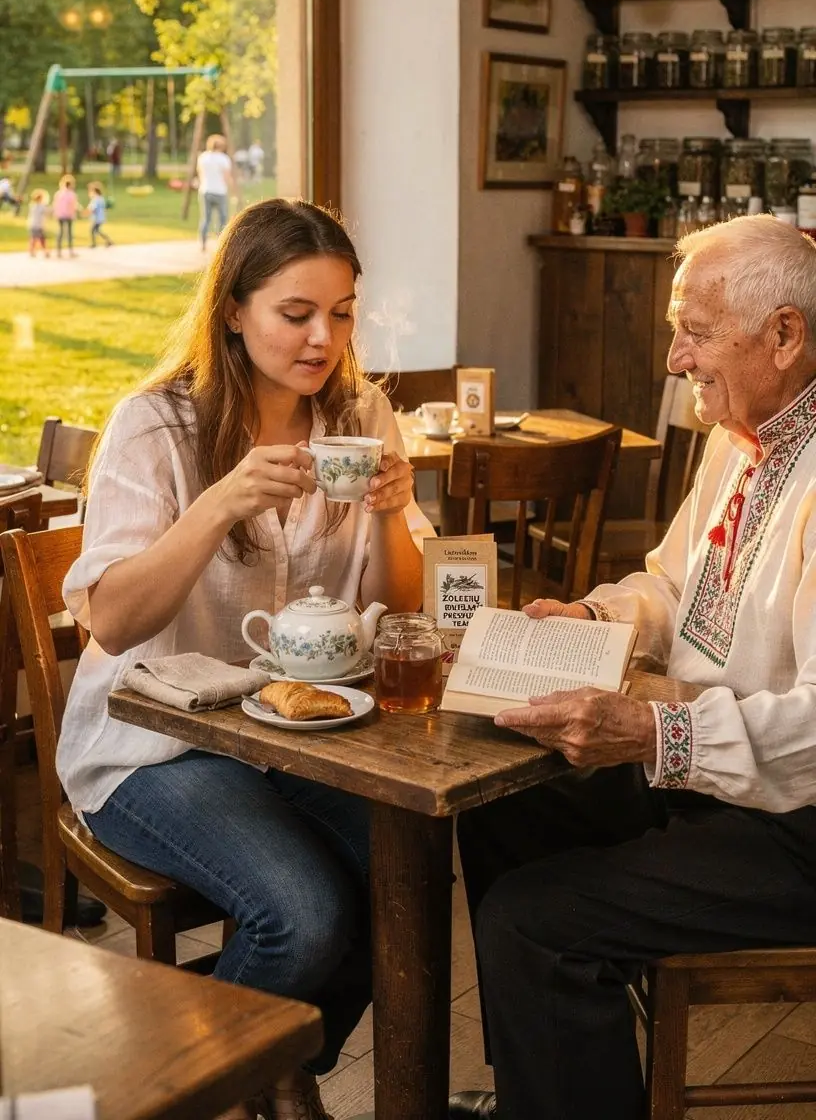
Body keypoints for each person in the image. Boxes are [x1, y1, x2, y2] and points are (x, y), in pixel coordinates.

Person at [57, 199, 433, 1120]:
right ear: (234, 309)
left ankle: (268, 1073)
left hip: (304, 733)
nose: (323, 338)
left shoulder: (359, 411)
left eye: (340, 312)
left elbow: (409, 607)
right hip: (154, 743)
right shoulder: (157, 426)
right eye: (295, 313)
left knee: (408, 886)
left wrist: (387, 508)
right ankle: (190, 1091)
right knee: (302, 913)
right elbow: (110, 622)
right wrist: (218, 503)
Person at [450, 214, 816, 1120]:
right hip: (725, 786)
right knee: (504, 799)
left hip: (801, 828)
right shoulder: (741, 439)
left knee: (532, 924)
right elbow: (671, 584)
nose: (674, 361)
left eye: (695, 333)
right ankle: (552, 1089)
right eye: (674, 333)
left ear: (784, 334)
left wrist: (655, 731)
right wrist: (588, 614)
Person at [197, 133, 235, 250]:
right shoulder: (224, 159)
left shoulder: (203, 157)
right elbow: (227, 177)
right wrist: (232, 189)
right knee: (223, 219)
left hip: (205, 190)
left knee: (206, 218)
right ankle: (221, 245)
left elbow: (200, 173)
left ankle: (203, 243)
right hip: (220, 191)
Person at [53, 174, 79, 258]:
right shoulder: (72, 194)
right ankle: (70, 251)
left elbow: (55, 205)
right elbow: (73, 205)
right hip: (68, 215)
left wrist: (56, 213)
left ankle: (59, 252)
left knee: (60, 233)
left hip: (60, 215)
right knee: (69, 233)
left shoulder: (58, 193)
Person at [86, 183, 113, 248]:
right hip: (100, 218)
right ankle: (108, 241)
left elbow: (93, 208)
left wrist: (87, 213)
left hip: (97, 218)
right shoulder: (101, 198)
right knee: (97, 230)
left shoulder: (96, 199)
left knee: (93, 230)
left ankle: (94, 244)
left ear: (95, 192)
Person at [27, 189, 50, 258]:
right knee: (41, 239)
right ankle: (44, 251)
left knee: (34, 238)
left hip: (32, 225)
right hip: (38, 225)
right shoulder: (41, 206)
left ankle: (32, 251)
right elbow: (47, 212)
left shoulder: (32, 206)